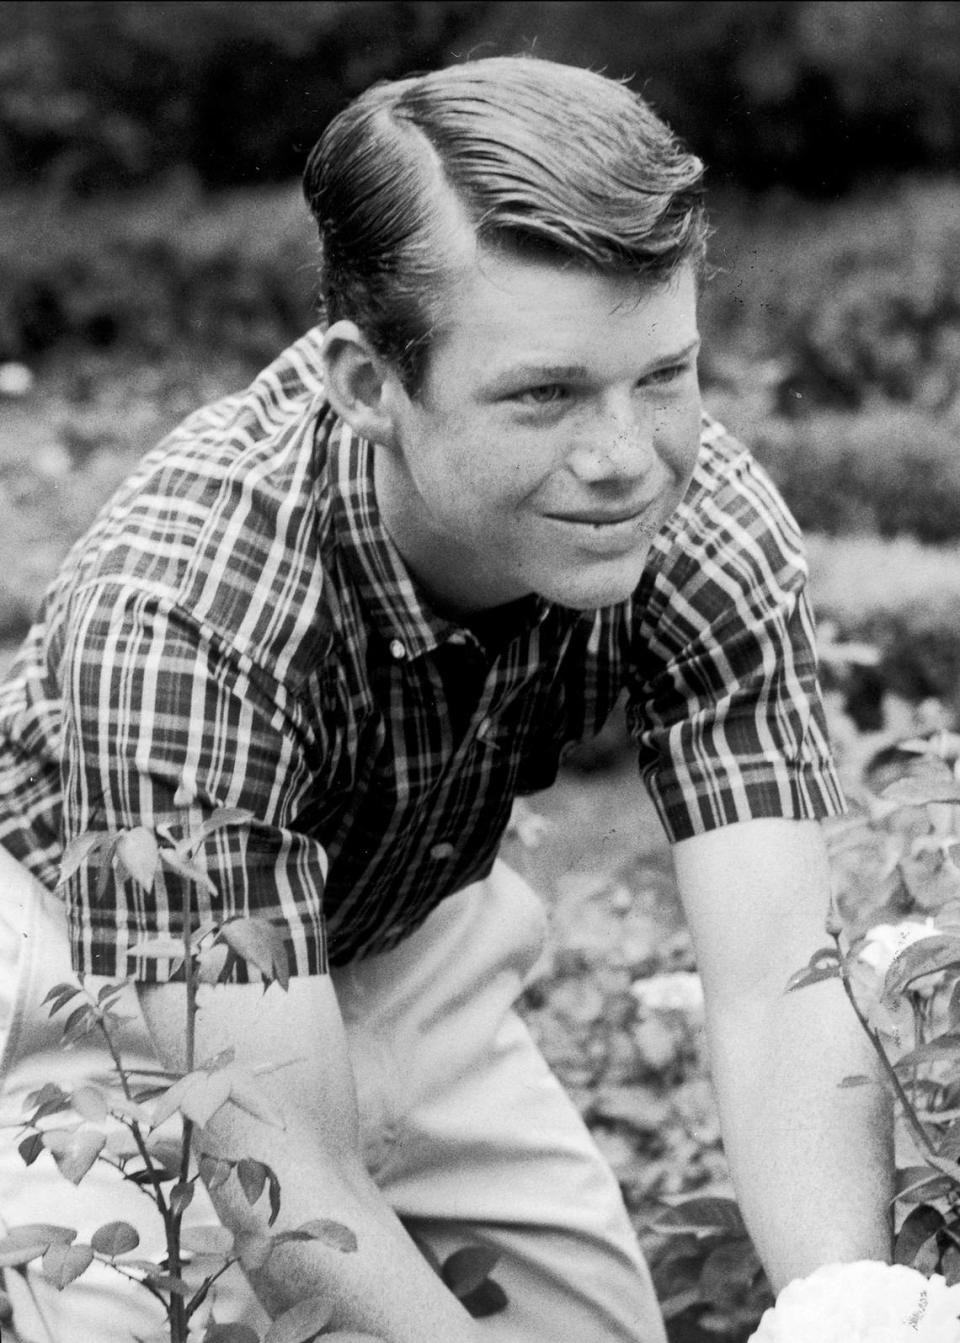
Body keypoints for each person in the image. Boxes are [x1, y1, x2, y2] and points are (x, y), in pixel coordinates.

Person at [0, 55, 892, 1342]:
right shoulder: (189, 607)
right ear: (367, 386)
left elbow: (781, 984)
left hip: (404, 935)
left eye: (664, 375)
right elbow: (286, 1180)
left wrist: (853, 1308)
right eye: (544, 394)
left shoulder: (703, 528)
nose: (627, 459)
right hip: (100, 979)